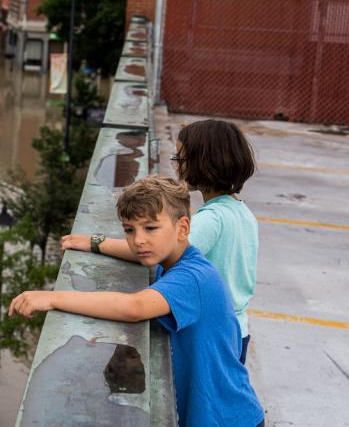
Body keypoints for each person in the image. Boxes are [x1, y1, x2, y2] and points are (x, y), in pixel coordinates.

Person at [10, 176, 264, 427]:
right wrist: (95, 243)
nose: (138, 240)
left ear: (183, 228)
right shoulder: (174, 262)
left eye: (150, 228)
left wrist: (52, 298)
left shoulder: (192, 278)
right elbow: (139, 253)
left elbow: (135, 308)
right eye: (130, 230)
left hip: (228, 417)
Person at [61, 119, 258, 363]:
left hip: (215, 335)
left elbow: (156, 250)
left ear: (204, 162)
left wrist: (97, 243)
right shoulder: (241, 211)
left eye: (181, 158)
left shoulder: (212, 220)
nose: (176, 166)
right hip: (237, 328)